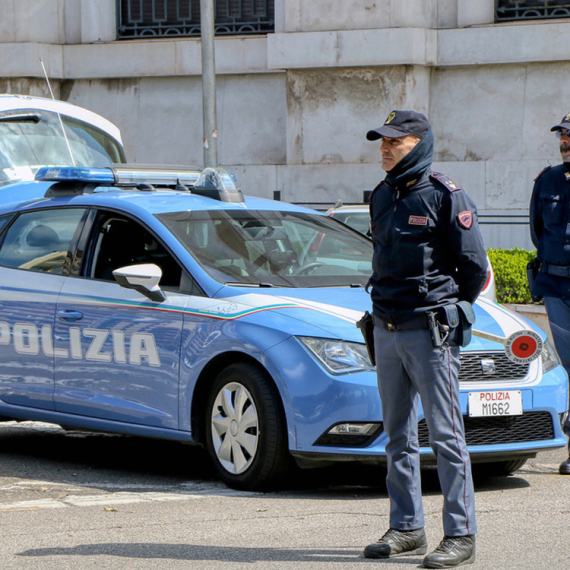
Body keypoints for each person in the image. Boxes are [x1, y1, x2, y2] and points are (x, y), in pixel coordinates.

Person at [362, 110, 488, 568]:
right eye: (382, 141)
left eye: (394, 141)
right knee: (397, 435)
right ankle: (407, 528)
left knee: (446, 436)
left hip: (429, 333)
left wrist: (447, 307)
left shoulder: (444, 195)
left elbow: (473, 267)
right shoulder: (381, 195)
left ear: (419, 143)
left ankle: (460, 534)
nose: (384, 148)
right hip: (387, 328)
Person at [529, 113, 570, 476]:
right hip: (556, 285)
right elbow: (537, 231)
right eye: (562, 135)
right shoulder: (548, 180)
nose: (565, 141)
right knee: (568, 363)